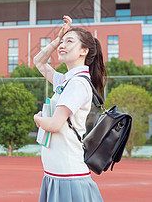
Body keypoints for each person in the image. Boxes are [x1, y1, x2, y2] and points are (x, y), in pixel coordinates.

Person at [33, 15, 106, 202]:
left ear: (84, 51)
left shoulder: (77, 84)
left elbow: (55, 124)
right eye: (62, 42)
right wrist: (57, 39)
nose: (62, 46)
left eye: (69, 41)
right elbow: (39, 62)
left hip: (68, 175)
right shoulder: (67, 80)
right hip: (57, 173)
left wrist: (38, 119)